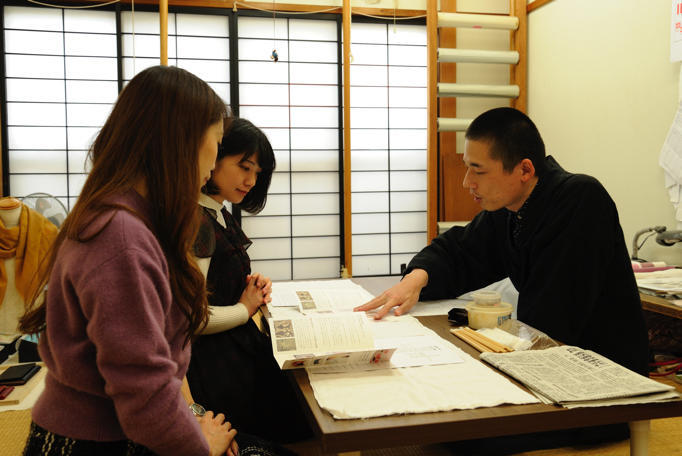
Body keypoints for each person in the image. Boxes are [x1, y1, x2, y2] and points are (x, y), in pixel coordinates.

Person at [355, 107, 649, 452]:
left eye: (477, 170)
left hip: (596, 391)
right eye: (467, 167)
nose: (467, 182)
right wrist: (414, 280)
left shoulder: (580, 199)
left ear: (524, 169)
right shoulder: (512, 207)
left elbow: (552, 325)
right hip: (541, 369)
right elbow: (459, 251)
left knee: (434, 431)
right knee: (401, 416)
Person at [19, 65, 237, 456]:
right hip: (97, 442)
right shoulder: (121, 236)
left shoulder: (126, 217)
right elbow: (145, 393)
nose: (215, 161)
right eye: (218, 141)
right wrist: (202, 446)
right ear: (182, 140)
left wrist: (191, 416)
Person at [187, 118, 312, 444]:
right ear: (212, 156)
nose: (250, 180)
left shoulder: (216, 212)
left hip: (234, 346)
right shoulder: (196, 221)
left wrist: (248, 288)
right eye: (244, 167)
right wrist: (244, 307)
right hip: (216, 364)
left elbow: (217, 281)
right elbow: (192, 317)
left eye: (257, 173)